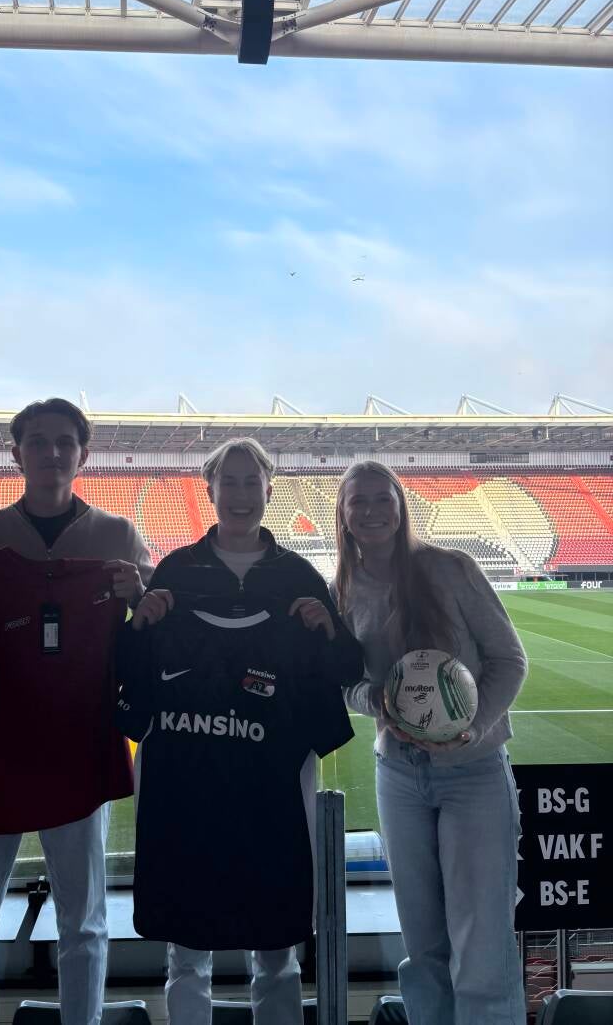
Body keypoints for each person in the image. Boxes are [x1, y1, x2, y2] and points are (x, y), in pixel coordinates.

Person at [0, 398, 153, 1025]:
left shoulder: (118, 536)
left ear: (83, 454)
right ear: (16, 454)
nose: (51, 452)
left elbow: (161, 636)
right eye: (37, 441)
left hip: (79, 747)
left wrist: (141, 595)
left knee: (84, 920)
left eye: (64, 441)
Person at [128, 437, 363, 1025]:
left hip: (271, 789)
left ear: (268, 490)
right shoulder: (176, 570)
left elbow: (347, 668)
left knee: (277, 946)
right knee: (186, 947)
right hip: (188, 789)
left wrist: (327, 632)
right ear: (209, 491)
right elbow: (129, 673)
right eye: (227, 482)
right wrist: (138, 628)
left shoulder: (298, 575)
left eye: (249, 482)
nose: (239, 494)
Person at [332, 461, 527, 1025]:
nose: (372, 510)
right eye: (358, 501)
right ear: (342, 514)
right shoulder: (341, 591)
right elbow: (344, 683)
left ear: (401, 505)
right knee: (423, 948)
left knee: (482, 944)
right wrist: (379, 703)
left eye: (383, 498)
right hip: (398, 777)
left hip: (474, 773)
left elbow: (509, 659)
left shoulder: (450, 569)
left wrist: (474, 726)